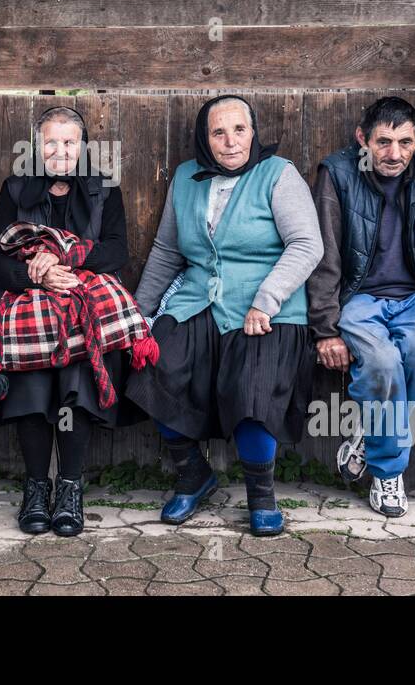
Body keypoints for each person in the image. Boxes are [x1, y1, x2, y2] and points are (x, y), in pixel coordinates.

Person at [127, 96, 322, 537]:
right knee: (151, 364)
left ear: (253, 132)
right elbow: (166, 251)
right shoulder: (185, 178)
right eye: (219, 132)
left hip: (268, 310)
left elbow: (307, 245)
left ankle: (261, 496)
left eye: (239, 130)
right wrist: (137, 314)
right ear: (205, 138)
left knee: (253, 389)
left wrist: (265, 301)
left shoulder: (278, 174)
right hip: (199, 301)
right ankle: (194, 474)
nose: (231, 141)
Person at [0, 106, 146, 537]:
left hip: (83, 297)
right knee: (34, 374)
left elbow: (115, 250)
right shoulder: (15, 190)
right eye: (51, 142)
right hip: (27, 299)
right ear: (37, 147)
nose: (60, 151)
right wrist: (34, 274)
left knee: (78, 371)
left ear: (83, 146)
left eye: (69, 142)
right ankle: (37, 487)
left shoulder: (103, 190)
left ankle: (69, 486)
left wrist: (66, 262)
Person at [308, 96, 415, 518]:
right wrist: (326, 327)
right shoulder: (338, 172)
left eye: (405, 142)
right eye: (382, 142)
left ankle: (368, 434)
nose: (394, 154)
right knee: (380, 364)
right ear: (363, 138)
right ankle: (387, 473)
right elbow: (323, 254)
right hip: (358, 298)